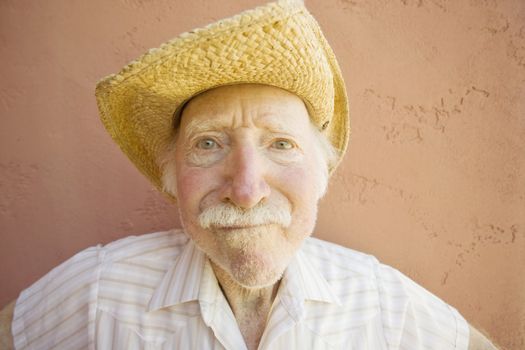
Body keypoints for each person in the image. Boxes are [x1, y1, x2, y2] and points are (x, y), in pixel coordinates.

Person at [1, 0, 498, 349]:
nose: (245, 191)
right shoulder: (97, 290)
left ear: (322, 172)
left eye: (281, 145)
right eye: (208, 144)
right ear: (172, 177)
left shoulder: (382, 300)